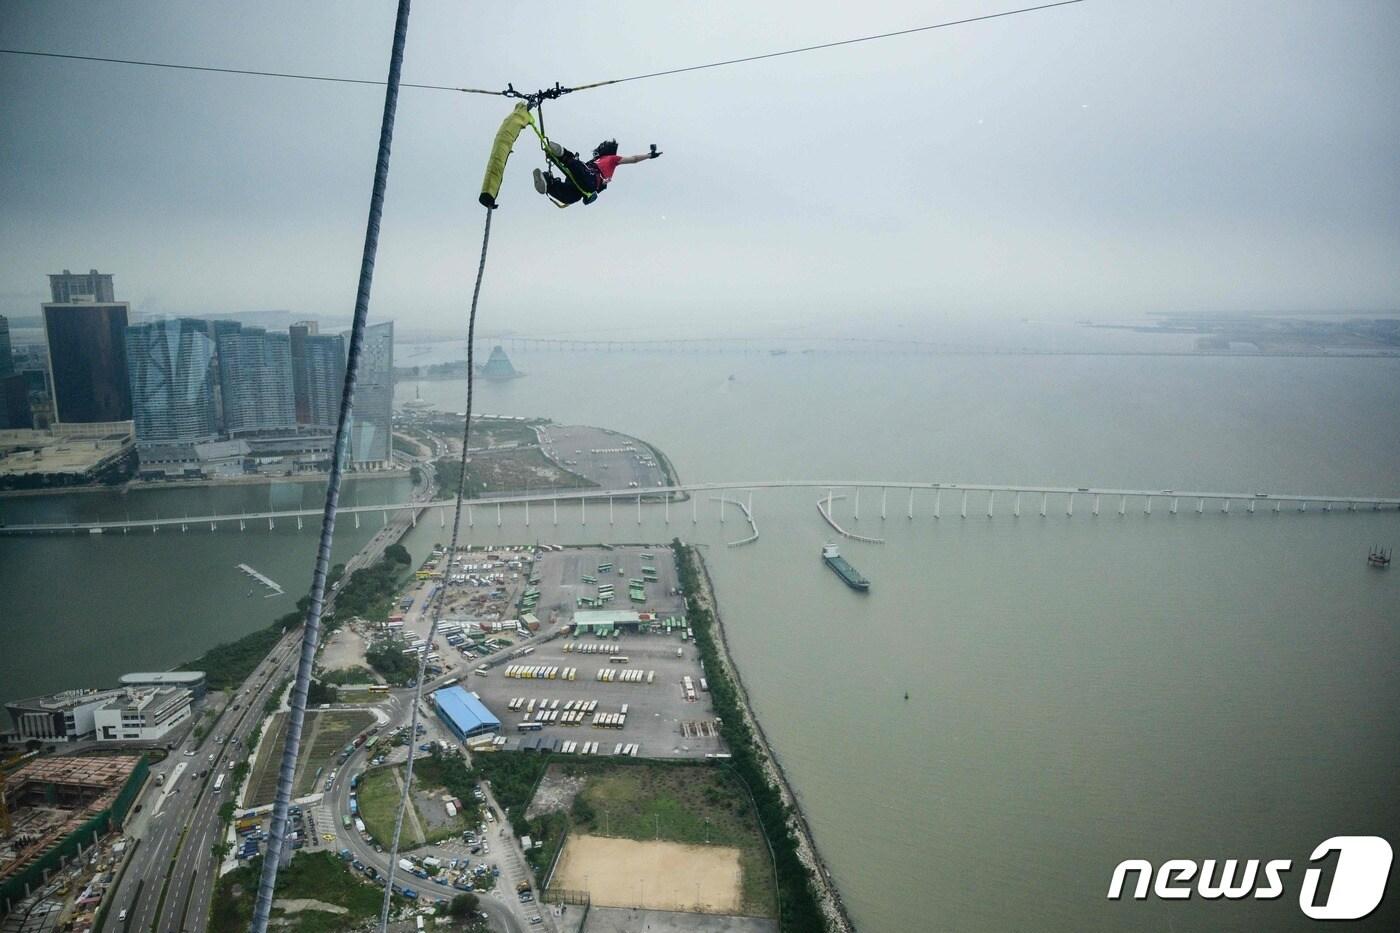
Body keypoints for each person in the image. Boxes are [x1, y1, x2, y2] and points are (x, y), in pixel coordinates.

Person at [533, 139, 661, 205]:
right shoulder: (604, 160)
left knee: (570, 197)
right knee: (577, 169)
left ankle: (548, 183)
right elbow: (634, 159)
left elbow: (634, 159)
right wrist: (650, 155)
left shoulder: (603, 159)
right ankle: (561, 158)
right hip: (589, 180)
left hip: (585, 184)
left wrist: (649, 155)